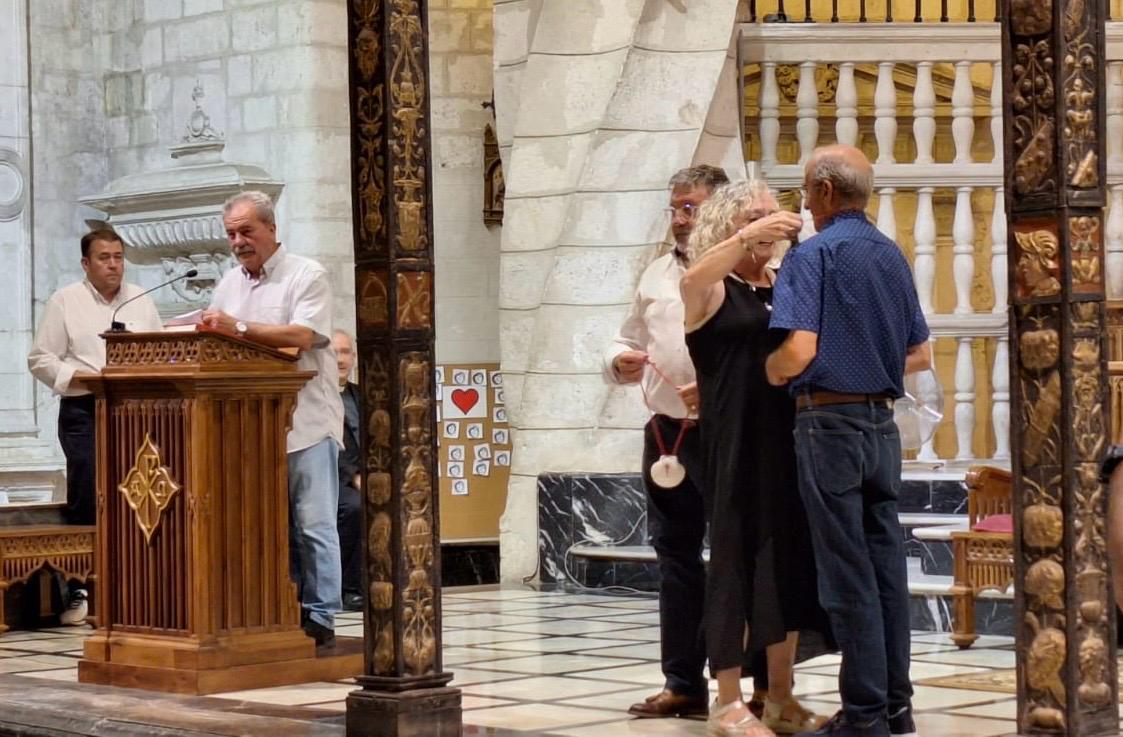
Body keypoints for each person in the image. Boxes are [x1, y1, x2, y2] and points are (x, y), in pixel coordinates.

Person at [765, 144, 931, 737]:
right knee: (886, 569)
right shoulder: (891, 255)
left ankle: (863, 716)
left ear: (828, 193)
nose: (805, 204)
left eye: (807, 192)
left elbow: (799, 350)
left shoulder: (813, 256)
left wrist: (771, 370)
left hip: (827, 422)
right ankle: (895, 707)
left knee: (847, 575)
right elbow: (921, 352)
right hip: (881, 429)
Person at [680, 180, 831, 737]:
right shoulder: (712, 288)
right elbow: (692, 279)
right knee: (734, 564)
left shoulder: (779, 283)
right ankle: (726, 700)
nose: (772, 222)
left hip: (788, 437)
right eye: (756, 215)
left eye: (774, 214)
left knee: (787, 561)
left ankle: (781, 696)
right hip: (734, 441)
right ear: (728, 222)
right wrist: (747, 236)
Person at [607, 164, 741, 720]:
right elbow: (626, 336)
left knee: (735, 557)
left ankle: (743, 688)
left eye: (691, 207)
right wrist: (618, 360)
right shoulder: (656, 273)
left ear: (719, 210)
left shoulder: (750, 271)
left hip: (728, 431)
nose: (681, 218)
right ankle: (682, 681)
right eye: (676, 208)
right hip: (667, 434)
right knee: (675, 559)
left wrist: (715, 390)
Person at [202, 191, 345, 647]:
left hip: (306, 422)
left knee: (313, 523)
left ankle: (321, 614)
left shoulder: (307, 274)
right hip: (250, 427)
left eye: (247, 231)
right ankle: (268, 605)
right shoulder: (228, 284)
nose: (239, 242)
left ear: (271, 229)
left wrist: (237, 328)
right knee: (259, 524)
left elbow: (304, 336)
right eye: (231, 234)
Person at [27, 228, 164, 625]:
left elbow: (158, 351)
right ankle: (80, 588)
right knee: (88, 492)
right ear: (86, 263)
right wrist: (83, 378)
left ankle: (134, 583)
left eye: (119, 257)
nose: (113, 265)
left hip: (136, 410)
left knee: (137, 493)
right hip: (84, 408)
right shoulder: (65, 301)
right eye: (104, 258)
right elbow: (41, 359)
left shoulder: (140, 300)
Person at [331, 328, 364, 612]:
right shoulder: (312, 397)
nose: (340, 360)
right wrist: (353, 475)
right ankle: (347, 587)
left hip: (364, 477)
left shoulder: (361, 395)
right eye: (334, 353)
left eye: (345, 353)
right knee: (355, 507)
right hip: (330, 478)